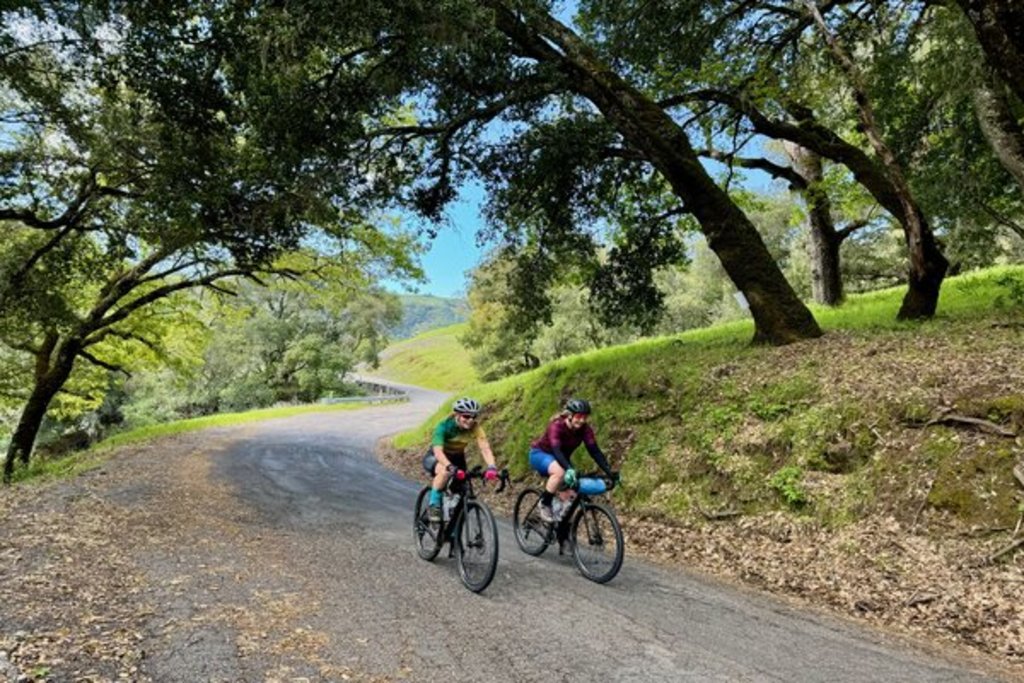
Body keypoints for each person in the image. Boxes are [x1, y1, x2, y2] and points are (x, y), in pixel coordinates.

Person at [528, 398, 619, 523]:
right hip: (540, 454)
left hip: (561, 459)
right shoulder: (556, 426)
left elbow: (595, 451)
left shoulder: (585, 430)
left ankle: (562, 532)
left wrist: (609, 471)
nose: (582, 420)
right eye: (579, 416)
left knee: (572, 495)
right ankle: (545, 503)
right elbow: (556, 450)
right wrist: (569, 469)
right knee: (559, 473)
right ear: (569, 415)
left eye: (585, 417)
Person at [423, 397, 500, 523]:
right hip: (437, 457)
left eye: (473, 417)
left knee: (462, 489)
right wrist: (449, 466)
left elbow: (485, 448)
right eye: (466, 416)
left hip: (458, 458)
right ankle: (434, 508)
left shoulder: (475, 427)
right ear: (456, 414)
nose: (470, 420)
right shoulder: (443, 426)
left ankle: (453, 524)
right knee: (444, 472)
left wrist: (492, 466)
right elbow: (438, 451)